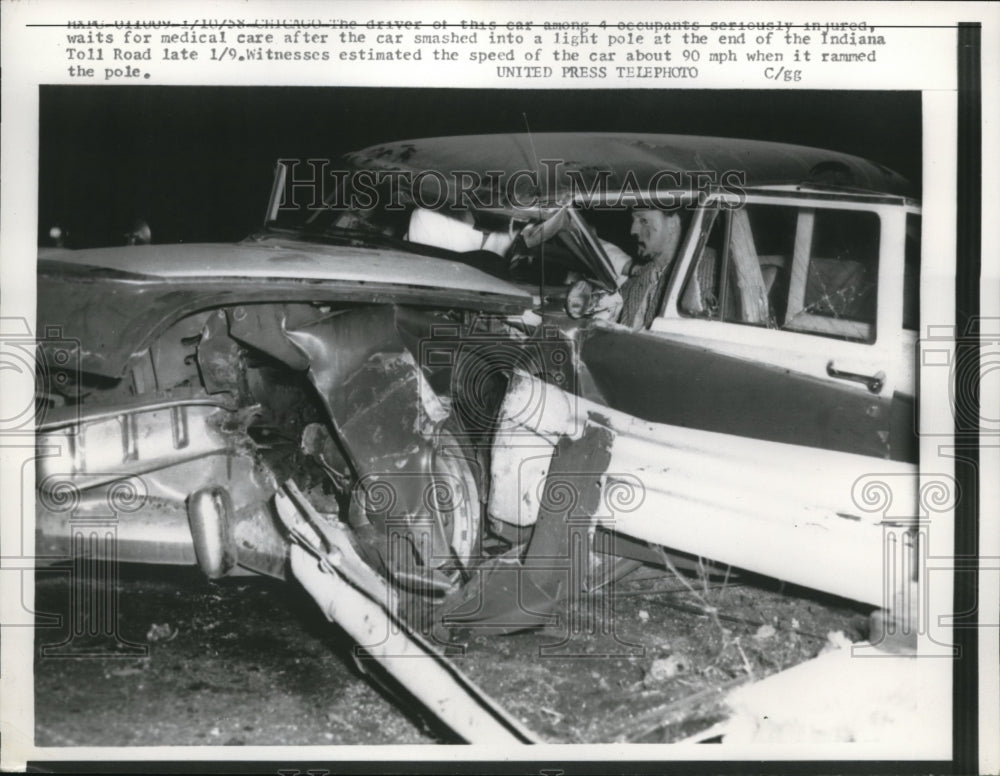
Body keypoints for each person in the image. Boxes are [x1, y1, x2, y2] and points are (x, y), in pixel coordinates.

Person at [618, 208, 684, 328]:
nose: (633, 230)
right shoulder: (634, 282)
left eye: (643, 220)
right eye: (633, 221)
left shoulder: (707, 274)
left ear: (672, 225)